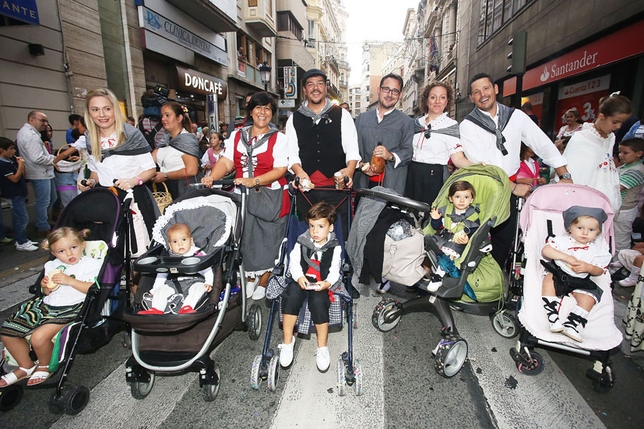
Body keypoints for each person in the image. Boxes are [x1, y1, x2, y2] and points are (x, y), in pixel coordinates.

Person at [460, 73, 572, 268]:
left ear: (495, 89)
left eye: (486, 88)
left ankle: (493, 283)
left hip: (510, 191)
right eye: (476, 92)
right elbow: (481, 163)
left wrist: (564, 174)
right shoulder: (468, 125)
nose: (482, 94)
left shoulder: (516, 116)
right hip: (482, 189)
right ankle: (474, 282)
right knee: (476, 239)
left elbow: (542, 143)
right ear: (471, 98)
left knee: (504, 240)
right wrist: (512, 187)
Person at [202, 92, 289, 300]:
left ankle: (266, 276)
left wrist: (255, 180)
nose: (263, 112)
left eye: (268, 108)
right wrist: (212, 177)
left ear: (272, 114)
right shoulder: (237, 136)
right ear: (251, 111)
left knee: (270, 238)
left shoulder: (279, 138)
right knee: (246, 237)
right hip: (243, 196)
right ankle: (250, 276)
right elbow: (226, 161)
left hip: (271, 197)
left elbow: (280, 169)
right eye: (259, 107)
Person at [0, 227, 101, 387]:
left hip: (72, 307)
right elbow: (47, 293)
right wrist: (45, 285)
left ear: (82, 245)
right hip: (47, 306)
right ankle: (26, 365)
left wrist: (70, 281)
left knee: (38, 337)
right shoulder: (51, 266)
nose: (69, 254)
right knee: (7, 331)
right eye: (61, 251)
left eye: (73, 248)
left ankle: (44, 365)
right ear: (54, 253)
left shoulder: (90, 264)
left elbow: (92, 288)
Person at [285, 68, 361, 237]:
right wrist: (299, 171)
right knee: (308, 235)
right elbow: (291, 152)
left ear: (326, 88)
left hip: (337, 189)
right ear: (304, 89)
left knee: (340, 233)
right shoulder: (294, 119)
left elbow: (352, 148)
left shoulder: (342, 115)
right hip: (307, 190)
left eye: (320, 83)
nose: (316, 88)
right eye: (310, 84)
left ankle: (340, 262)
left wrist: (349, 170)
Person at [78, 88, 158, 235]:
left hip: (134, 199)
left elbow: (151, 169)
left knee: (138, 246)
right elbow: (96, 170)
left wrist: (134, 181)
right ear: (89, 113)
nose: (101, 115)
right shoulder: (90, 137)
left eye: (107, 109)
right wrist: (91, 182)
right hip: (106, 200)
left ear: (115, 109)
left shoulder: (131, 134)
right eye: (95, 109)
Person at [278, 202, 342, 372]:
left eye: (320, 226)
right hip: (302, 280)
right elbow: (294, 262)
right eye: (312, 226)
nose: (315, 231)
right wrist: (299, 276)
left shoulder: (335, 247)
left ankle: (322, 347)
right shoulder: (302, 241)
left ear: (330, 228)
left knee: (319, 302)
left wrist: (327, 283)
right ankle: (287, 341)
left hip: (321, 283)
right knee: (291, 295)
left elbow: (335, 269)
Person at [540, 206, 611, 342]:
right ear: (570, 228)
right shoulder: (562, 241)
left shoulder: (596, 251)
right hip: (559, 275)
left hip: (581, 281)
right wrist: (565, 257)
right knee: (548, 279)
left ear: (597, 233)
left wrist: (588, 267)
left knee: (589, 298)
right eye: (580, 228)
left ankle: (572, 324)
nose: (585, 233)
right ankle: (553, 316)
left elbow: (599, 270)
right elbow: (546, 251)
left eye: (591, 230)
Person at [405, 81, 473, 207]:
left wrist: (477, 167)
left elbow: (458, 159)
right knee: (410, 216)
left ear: (447, 101)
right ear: (426, 100)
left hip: (435, 177)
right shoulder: (415, 124)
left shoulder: (451, 126)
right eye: (433, 97)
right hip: (413, 175)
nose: (437, 101)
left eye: (442, 97)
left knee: (433, 217)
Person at [563, 95, 632, 214]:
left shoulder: (611, 137)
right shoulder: (581, 138)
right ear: (601, 116)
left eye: (622, 123)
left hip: (605, 205)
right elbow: (573, 175)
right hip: (583, 206)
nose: (618, 127)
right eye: (615, 122)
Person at [354, 73, 414, 195]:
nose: (389, 94)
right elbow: (353, 150)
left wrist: (390, 155)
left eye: (395, 91)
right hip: (364, 184)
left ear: (400, 95)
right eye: (386, 89)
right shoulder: (362, 119)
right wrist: (361, 166)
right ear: (379, 90)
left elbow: (408, 152)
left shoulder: (406, 122)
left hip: (392, 186)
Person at [138, 223, 213, 315]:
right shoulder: (169, 256)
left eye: (184, 239)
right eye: (175, 242)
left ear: (191, 240)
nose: (180, 244)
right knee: (161, 290)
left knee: (199, 288)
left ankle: (187, 306)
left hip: (194, 280)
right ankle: (157, 308)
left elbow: (207, 268)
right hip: (174, 282)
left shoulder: (198, 253)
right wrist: (156, 288)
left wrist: (209, 282)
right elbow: (162, 273)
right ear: (170, 244)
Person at [423, 181, 480, 292]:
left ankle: (438, 276)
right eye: (458, 197)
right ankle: (426, 272)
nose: (462, 200)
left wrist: (468, 239)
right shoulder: (445, 210)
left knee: (452, 248)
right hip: (443, 238)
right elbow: (436, 227)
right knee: (426, 241)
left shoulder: (473, 215)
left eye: (466, 197)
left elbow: (475, 231)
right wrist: (436, 219)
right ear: (450, 198)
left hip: (459, 244)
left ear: (471, 200)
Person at [15, 110, 58, 236]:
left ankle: (43, 221)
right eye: (42, 120)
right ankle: (42, 226)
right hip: (39, 173)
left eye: (46, 121)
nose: (45, 124)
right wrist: (54, 159)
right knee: (44, 201)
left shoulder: (31, 133)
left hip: (43, 172)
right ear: (31, 120)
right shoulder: (30, 135)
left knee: (51, 198)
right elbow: (37, 158)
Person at [151, 102, 201, 200]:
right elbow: (149, 161)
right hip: (164, 190)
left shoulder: (187, 140)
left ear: (179, 118)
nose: (163, 119)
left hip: (183, 190)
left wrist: (166, 175)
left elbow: (192, 170)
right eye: (162, 116)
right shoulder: (165, 140)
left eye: (167, 115)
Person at [0, 137, 38, 251]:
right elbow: (15, 178)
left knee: (18, 217)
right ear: (2, 150)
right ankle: (21, 242)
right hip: (13, 194)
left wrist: (21, 165)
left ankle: (22, 239)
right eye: (11, 149)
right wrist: (20, 165)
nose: (14, 151)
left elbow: (23, 175)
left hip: (20, 193)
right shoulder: (2, 165)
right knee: (22, 218)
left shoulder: (10, 160)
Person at [614, 138, 644, 253]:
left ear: (639, 154)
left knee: (621, 240)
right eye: (620, 152)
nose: (621, 155)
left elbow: (618, 188)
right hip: (620, 209)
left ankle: (621, 265)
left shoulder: (637, 170)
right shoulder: (624, 167)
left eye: (625, 153)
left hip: (624, 211)